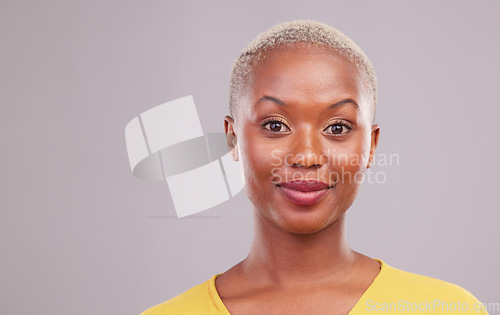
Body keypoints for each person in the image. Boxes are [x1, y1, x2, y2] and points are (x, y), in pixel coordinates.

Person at [141, 20, 488, 315]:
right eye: (275, 125)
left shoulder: (448, 309)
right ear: (233, 140)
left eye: (337, 127)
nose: (306, 156)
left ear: (371, 146)